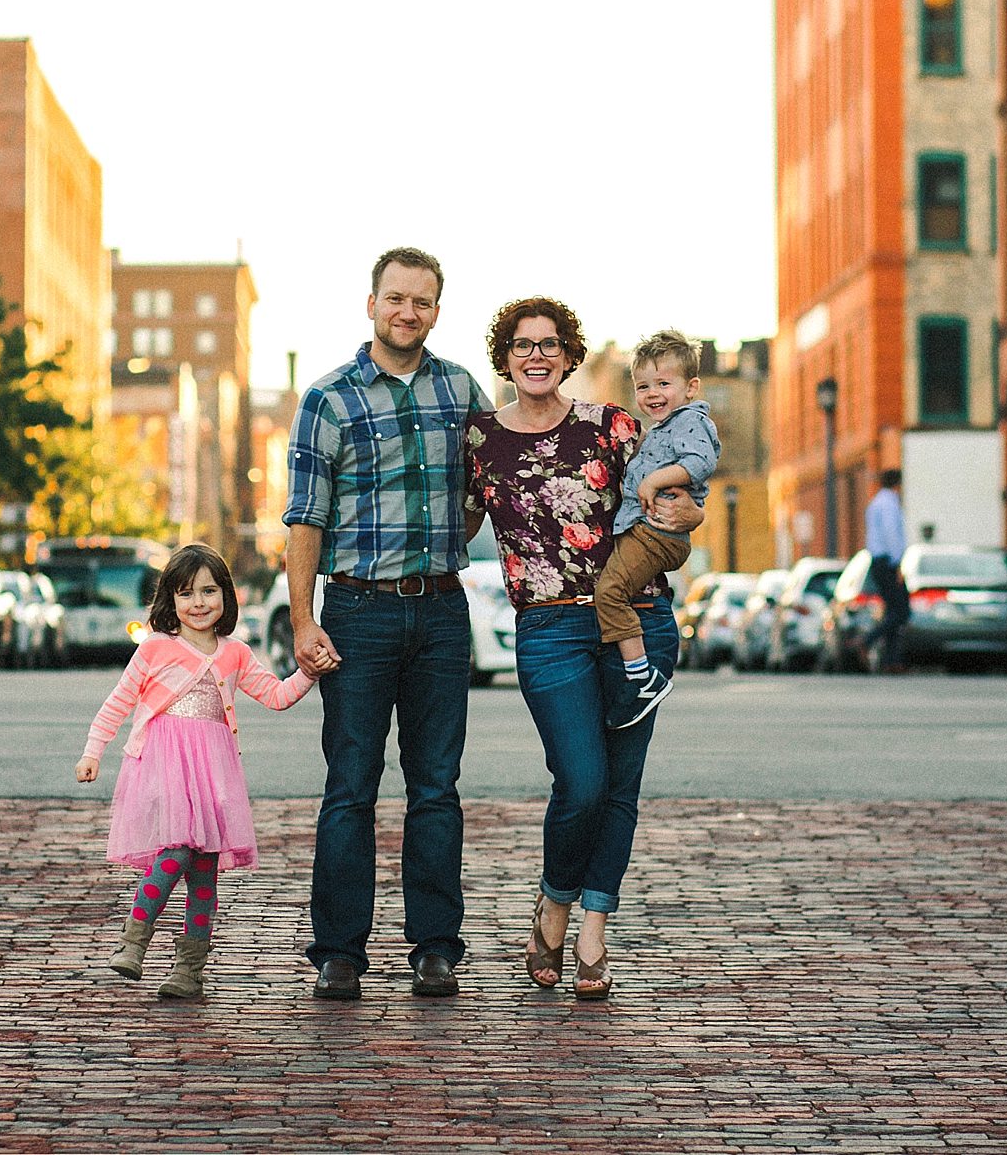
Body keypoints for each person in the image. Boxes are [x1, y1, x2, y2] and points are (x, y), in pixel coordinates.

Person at [463, 297, 702, 1000]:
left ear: (568, 355)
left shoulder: (612, 426)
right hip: (549, 631)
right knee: (583, 781)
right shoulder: (477, 440)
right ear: (504, 357)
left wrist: (691, 509)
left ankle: (592, 928)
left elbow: (678, 500)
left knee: (620, 788)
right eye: (522, 344)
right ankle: (555, 902)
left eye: (549, 344)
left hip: (639, 616)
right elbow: (452, 522)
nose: (536, 355)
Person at [283, 247, 491, 1001]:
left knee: (436, 786)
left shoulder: (461, 389)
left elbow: (484, 489)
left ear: (437, 309)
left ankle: (436, 949)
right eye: (396, 298)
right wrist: (303, 620)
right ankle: (339, 952)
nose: (409, 311)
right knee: (351, 786)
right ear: (370, 303)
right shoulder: (328, 399)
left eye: (423, 301)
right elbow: (304, 520)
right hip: (357, 612)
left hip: (439, 610)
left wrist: (449, 530)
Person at [74, 543, 321, 1000]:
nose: (200, 603)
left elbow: (276, 695)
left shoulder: (235, 653)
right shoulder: (154, 649)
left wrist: (310, 672)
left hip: (214, 773)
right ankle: (135, 939)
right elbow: (118, 702)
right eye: (187, 594)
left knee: (204, 873)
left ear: (226, 595)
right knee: (179, 851)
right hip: (163, 766)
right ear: (170, 600)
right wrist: (93, 751)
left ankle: (189, 972)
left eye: (209, 591)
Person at [594, 330, 720, 730]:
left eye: (664, 383)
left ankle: (642, 677)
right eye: (643, 386)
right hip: (651, 532)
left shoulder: (690, 422)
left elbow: (700, 462)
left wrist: (654, 481)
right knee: (616, 590)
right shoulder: (663, 428)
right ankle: (639, 673)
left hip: (657, 534)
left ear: (690, 387)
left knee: (610, 594)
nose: (653, 393)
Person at [865, 468, 911, 674]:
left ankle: (891, 661)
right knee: (902, 611)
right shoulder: (890, 504)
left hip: (877, 562)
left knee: (893, 610)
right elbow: (892, 535)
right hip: (888, 563)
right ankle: (867, 640)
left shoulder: (875, 503)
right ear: (897, 484)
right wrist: (898, 563)